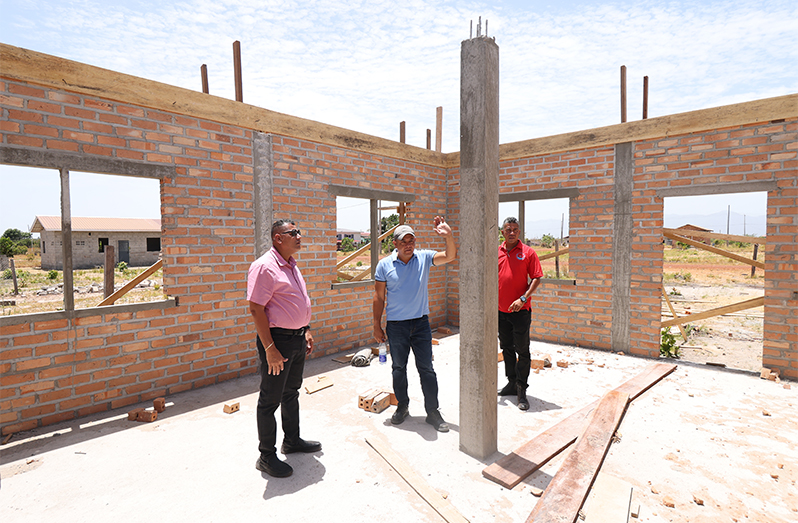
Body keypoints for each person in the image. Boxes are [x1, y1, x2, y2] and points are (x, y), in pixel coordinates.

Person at [247, 219, 321, 478]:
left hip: (297, 339)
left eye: (299, 231)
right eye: (293, 233)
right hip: (277, 341)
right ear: (278, 238)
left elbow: (298, 302)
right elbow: (256, 309)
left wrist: (306, 329)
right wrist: (269, 347)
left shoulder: (291, 265)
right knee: (269, 400)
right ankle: (266, 456)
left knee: (291, 392)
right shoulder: (264, 267)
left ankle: (292, 440)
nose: (299, 236)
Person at [372, 217, 457, 432]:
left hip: (420, 324)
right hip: (396, 326)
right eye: (403, 241)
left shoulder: (424, 258)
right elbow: (379, 297)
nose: (408, 245)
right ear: (395, 244)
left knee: (426, 368)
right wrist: (376, 325)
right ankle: (402, 406)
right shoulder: (384, 265)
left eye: (411, 240)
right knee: (398, 368)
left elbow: (450, 256)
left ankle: (432, 411)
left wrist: (448, 236)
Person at [497, 217, 543, 411]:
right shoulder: (496, 252)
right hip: (501, 311)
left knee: (522, 351)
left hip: (521, 311)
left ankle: (521, 390)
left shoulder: (528, 253)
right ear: (503, 232)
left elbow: (536, 278)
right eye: (508, 229)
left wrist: (523, 298)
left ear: (519, 231)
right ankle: (511, 382)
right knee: (506, 348)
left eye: (515, 229)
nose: (512, 232)